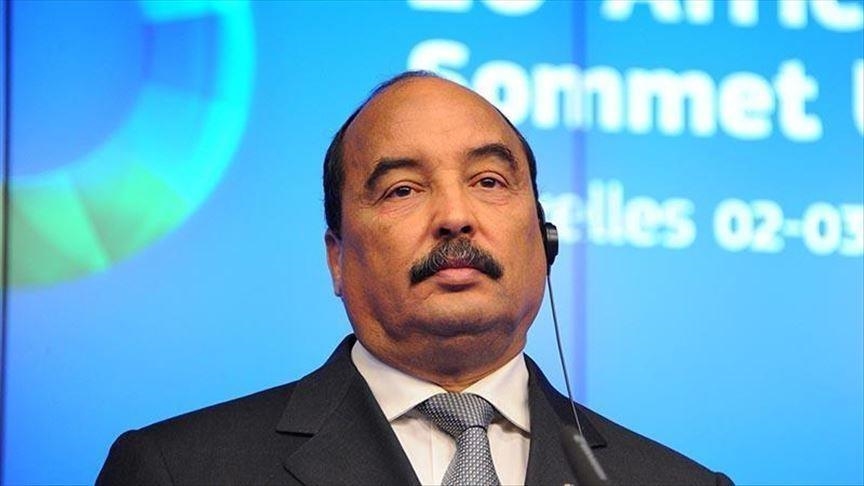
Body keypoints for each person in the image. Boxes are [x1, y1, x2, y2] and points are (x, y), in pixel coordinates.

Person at [97, 71, 733, 485]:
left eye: (489, 181)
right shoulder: (178, 470)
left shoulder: (677, 482)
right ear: (337, 259)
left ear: (544, 241)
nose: (455, 215)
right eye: (403, 189)